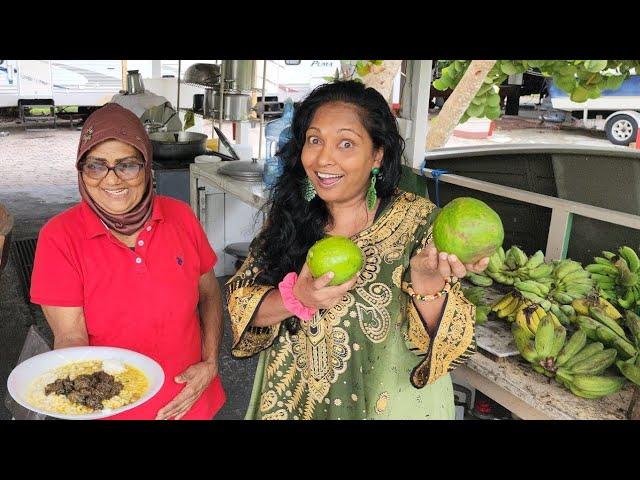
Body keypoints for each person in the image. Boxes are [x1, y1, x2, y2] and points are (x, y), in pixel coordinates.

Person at [225, 80, 490, 420]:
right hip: (295, 405)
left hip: (385, 405)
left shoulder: (421, 224)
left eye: (346, 143)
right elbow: (241, 306)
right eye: (314, 140)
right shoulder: (292, 215)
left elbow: (451, 350)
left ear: (376, 154)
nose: (323, 158)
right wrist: (297, 298)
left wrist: (426, 285)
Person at [30, 103, 226, 420]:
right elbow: (71, 337)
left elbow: (209, 293)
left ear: (147, 166)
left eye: (127, 165)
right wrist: (84, 401)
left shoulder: (180, 217)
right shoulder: (59, 237)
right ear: (81, 170)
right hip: (116, 408)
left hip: (190, 397)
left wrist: (210, 362)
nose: (112, 179)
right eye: (96, 166)